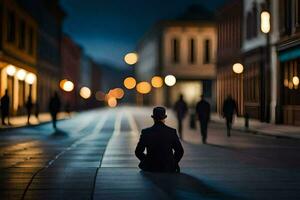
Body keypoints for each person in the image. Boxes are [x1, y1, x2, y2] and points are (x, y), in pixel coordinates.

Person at [135, 107, 184, 173]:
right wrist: (173, 163)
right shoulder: (172, 132)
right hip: (168, 167)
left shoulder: (146, 132)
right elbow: (180, 151)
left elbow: (138, 151)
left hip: (151, 167)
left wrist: (147, 161)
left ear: (153, 118)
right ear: (164, 118)